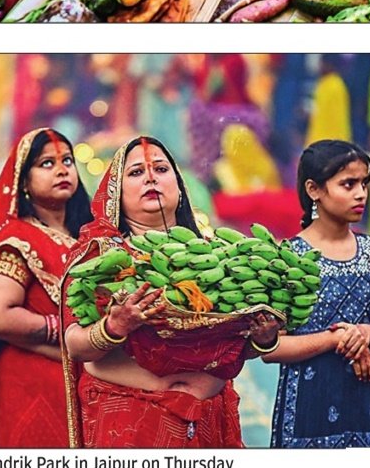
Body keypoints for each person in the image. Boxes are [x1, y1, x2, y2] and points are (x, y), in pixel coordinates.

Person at [62, 136, 280, 448]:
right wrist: (115, 326)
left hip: (208, 423)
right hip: (131, 424)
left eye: (161, 169)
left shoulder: (220, 257)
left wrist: (263, 338)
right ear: (115, 194)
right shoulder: (99, 259)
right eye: (136, 172)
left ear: (179, 186)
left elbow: (234, 346)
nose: (151, 177)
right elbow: (76, 346)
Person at [0, 128, 93, 447]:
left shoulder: (88, 234)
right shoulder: (17, 242)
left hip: (87, 378)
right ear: (23, 181)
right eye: (46, 164)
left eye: (67, 160)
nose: (62, 169)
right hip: (32, 385)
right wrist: (59, 329)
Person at [266, 140, 370, 447]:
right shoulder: (288, 257)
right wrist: (340, 340)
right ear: (314, 190)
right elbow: (270, 349)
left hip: (366, 400)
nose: (361, 193)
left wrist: (364, 332)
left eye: (363, 183)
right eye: (348, 184)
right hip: (308, 406)